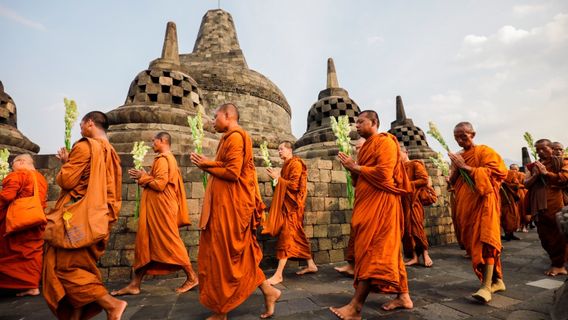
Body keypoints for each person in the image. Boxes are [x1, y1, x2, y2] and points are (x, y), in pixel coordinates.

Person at [190, 103, 281, 320]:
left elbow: (232, 173)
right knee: (238, 258)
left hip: (232, 209)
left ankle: (222, 311)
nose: (213, 120)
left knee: (225, 257)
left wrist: (206, 165)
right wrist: (210, 165)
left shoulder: (237, 137)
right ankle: (270, 291)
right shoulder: (228, 138)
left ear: (228, 115)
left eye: (216, 116)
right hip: (225, 206)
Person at [42, 111, 127, 320]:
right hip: (99, 217)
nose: (80, 129)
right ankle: (76, 315)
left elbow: (67, 181)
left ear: (90, 123)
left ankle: (112, 304)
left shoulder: (85, 146)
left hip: (77, 218)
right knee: (81, 266)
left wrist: (65, 165)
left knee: (64, 267)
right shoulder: (111, 152)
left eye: (81, 125)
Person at [330, 110, 413, 320]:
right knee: (388, 251)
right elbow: (359, 180)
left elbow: (384, 175)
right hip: (367, 203)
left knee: (373, 251)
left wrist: (355, 166)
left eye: (360, 122)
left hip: (383, 205)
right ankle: (404, 296)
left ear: (374, 122)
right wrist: (351, 168)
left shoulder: (385, 142)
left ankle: (356, 306)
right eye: (355, 122)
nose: (356, 126)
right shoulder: (365, 147)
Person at [111, 132, 198, 296]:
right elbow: (156, 181)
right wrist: (145, 176)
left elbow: (160, 185)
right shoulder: (164, 159)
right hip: (158, 208)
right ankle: (135, 284)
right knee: (147, 243)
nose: (152, 144)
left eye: (154, 141)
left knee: (171, 242)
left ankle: (192, 277)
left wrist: (143, 177)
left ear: (163, 141)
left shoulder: (164, 159)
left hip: (162, 209)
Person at [448, 122, 507, 303]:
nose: (460, 140)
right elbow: (452, 182)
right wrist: (457, 167)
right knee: (473, 244)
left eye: (463, 136)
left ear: (473, 134)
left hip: (484, 204)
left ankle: (486, 287)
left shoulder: (484, 151)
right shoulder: (459, 157)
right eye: (456, 137)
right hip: (467, 206)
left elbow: (498, 173)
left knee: (487, 242)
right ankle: (497, 281)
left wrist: (466, 167)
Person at [263, 141, 317, 285]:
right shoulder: (285, 165)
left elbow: (294, 185)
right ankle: (311, 264)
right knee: (297, 235)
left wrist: (278, 178)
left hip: (293, 207)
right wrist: (277, 179)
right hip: (287, 207)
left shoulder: (296, 164)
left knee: (286, 237)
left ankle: (279, 274)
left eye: (281, 149)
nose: (279, 152)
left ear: (289, 150)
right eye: (278, 150)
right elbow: (284, 184)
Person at [0, 154, 47, 297]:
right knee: (32, 253)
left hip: (18, 223)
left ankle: (13, 284)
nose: (11, 168)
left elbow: (6, 197)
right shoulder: (41, 179)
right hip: (35, 220)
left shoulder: (18, 175)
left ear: (20, 162)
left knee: (9, 252)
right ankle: (32, 286)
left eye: (12, 165)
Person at [525, 139, 568, 276]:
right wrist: (536, 175)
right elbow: (526, 183)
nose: (540, 153)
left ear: (552, 148)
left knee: (556, 233)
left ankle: (559, 265)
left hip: (553, 202)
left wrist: (546, 174)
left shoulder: (561, 162)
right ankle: (554, 261)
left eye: (543, 149)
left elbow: (565, 177)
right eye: (537, 150)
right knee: (544, 236)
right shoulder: (534, 166)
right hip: (537, 205)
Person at [334, 137, 365, 277]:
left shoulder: (373, 160)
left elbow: (381, 175)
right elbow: (355, 183)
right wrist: (352, 168)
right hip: (361, 202)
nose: (356, 150)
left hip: (374, 204)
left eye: (359, 147)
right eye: (356, 148)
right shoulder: (359, 162)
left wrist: (354, 167)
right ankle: (352, 265)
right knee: (355, 233)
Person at [400, 146, 433, 267]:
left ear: (406, 152)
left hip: (415, 202)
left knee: (417, 227)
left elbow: (424, 179)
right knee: (407, 231)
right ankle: (414, 257)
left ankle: (425, 253)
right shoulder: (399, 168)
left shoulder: (415, 164)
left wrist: (407, 184)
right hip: (403, 202)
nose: (397, 157)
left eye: (399, 154)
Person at [500, 165, 522, 241]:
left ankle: (511, 234)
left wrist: (505, 184)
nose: (515, 171)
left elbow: (516, 186)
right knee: (505, 217)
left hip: (511, 198)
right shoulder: (504, 173)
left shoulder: (513, 175)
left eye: (516, 169)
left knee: (512, 216)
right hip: (502, 199)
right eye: (513, 169)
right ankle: (507, 234)